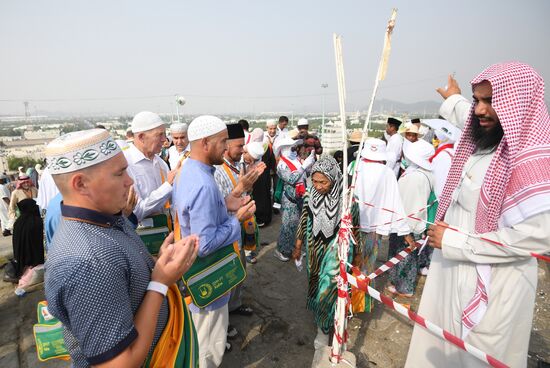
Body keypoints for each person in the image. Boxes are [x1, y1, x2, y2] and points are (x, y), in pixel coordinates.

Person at [406, 62, 550, 368]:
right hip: (450, 270)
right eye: (477, 101)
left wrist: (457, 243)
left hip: (495, 284)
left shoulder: (532, 161)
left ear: (517, 106)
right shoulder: (486, 137)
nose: (480, 110)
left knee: (477, 358)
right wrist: (454, 99)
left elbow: (540, 236)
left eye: (491, 101)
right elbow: (469, 116)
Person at [45, 128, 200, 367]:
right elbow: (118, 363)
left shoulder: (105, 216)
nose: (130, 181)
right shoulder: (87, 262)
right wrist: (160, 282)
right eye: (120, 174)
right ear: (81, 184)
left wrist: (158, 264)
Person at [174, 115, 256, 368]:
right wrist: (237, 220)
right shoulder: (203, 184)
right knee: (207, 349)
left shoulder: (188, 170)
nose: (226, 147)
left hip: (192, 275)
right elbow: (205, 244)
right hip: (207, 280)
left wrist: (228, 202)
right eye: (223, 142)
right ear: (206, 142)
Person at [292, 156, 359, 349]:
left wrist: (358, 253)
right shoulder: (309, 195)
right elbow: (304, 219)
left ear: (334, 178)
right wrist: (298, 246)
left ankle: (325, 328)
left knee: (328, 288)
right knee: (315, 284)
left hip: (336, 250)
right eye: (315, 181)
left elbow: (356, 227)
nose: (318, 186)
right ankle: (323, 321)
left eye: (323, 182)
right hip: (314, 248)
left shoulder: (348, 199)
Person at [213, 123, 264, 320]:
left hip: (239, 228)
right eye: (239, 146)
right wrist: (241, 189)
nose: (243, 150)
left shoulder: (238, 165)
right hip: (226, 230)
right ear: (226, 146)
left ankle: (234, 305)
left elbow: (241, 193)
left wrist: (246, 188)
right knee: (227, 275)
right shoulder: (217, 171)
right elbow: (220, 203)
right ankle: (224, 316)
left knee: (239, 269)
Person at [354, 139, 410, 310]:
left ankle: (345, 299)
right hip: (374, 229)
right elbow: (395, 202)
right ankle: (359, 303)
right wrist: (404, 230)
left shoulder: (355, 167)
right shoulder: (387, 173)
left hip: (352, 226)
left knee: (350, 262)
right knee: (367, 265)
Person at [387, 139, 434, 297]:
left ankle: (405, 288)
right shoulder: (422, 173)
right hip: (409, 222)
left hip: (407, 224)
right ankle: (399, 284)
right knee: (404, 256)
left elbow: (410, 204)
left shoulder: (415, 177)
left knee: (405, 256)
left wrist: (406, 230)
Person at [124, 111, 177, 222]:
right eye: (160, 135)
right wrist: (167, 186)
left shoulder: (160, 163)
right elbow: (136, 212)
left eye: (165, 134)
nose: (164, 139)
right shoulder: (126, 165)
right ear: (142, 137)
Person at [274, 137, 316, 261]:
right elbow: (292, 179)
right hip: (289, 200)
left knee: (297, 226)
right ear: (283, 150)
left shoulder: (296, 160)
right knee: (287, 226)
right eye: (291, 148)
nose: (294, 150)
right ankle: (281, 250)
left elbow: (304, 176)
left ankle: (293, 248)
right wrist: (304, 166)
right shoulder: (282, 165)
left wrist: (309, 165)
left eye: (294, 148)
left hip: (299, 197)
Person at [422, 118, 462, 198]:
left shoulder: (443, 155)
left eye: (436, 137)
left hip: (439, 198)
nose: (435, 139)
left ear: (442, 138)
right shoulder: (451, 151)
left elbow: (439, 183)